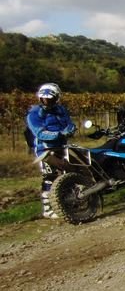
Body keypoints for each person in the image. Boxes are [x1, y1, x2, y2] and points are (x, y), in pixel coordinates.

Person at [25, 83, 76, 219]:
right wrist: (60, 134)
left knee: (68, 173)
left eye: (50, 99)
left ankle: (66, 202)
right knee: (49, 177)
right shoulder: (34, 114)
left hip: (63, 147)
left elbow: (69, 123)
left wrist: (71, 129)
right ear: (40, 98)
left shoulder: (60, 110)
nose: (47, 101)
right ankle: (48, 209)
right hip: (45, 149)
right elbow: (39, 133)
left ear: (57, 98)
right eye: (44, 99)